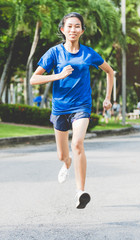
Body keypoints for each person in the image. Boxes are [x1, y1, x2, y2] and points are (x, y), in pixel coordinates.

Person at [30, 12, 114, 209]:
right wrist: (57, 76)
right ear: (63, 30)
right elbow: (34, 79)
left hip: (81, 106)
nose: (73, 30)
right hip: (60, 108)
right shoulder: (54, 53)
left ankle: (80, 192)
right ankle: (66, 163)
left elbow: (110, 72)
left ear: (82, 31)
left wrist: (108, 98)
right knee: (62, 154)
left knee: (77, 144)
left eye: (77, 26)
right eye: (69, 26)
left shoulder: (88, 53)